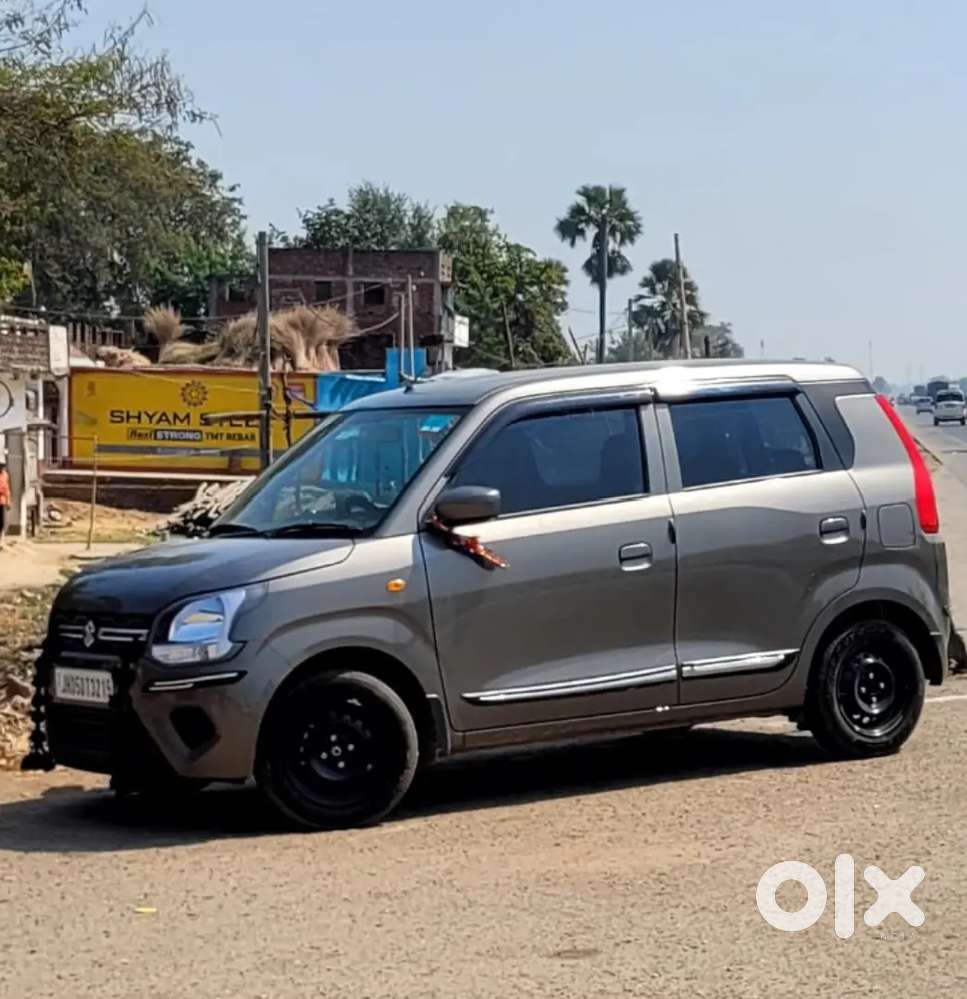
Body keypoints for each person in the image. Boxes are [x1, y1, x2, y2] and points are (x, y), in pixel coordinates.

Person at [0, 460, 9, 548]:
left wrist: (8, 501)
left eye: (3, 466)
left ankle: (1, 540)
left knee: (2, 522)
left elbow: (7, 489)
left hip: (2, 501)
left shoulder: (5, 475)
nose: (2, 468)